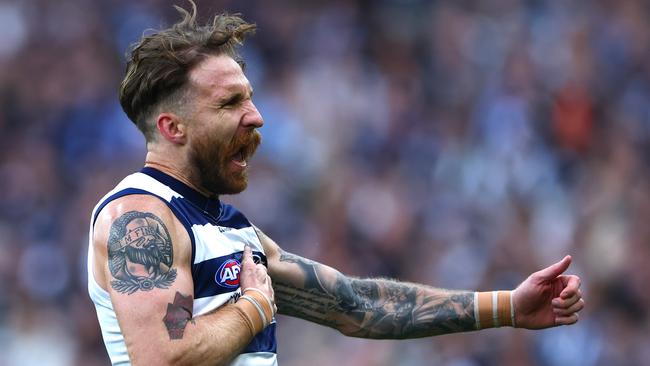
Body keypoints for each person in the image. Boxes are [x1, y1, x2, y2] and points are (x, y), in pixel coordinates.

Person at [87, 3, 585, 365]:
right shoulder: (140, 217)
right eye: (229, 104)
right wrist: (252, 311)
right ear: (173, 128)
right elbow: (159, 358)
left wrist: (508, 307)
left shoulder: (232, 231)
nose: (257, 117)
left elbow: (353, 304)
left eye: (250, 98)